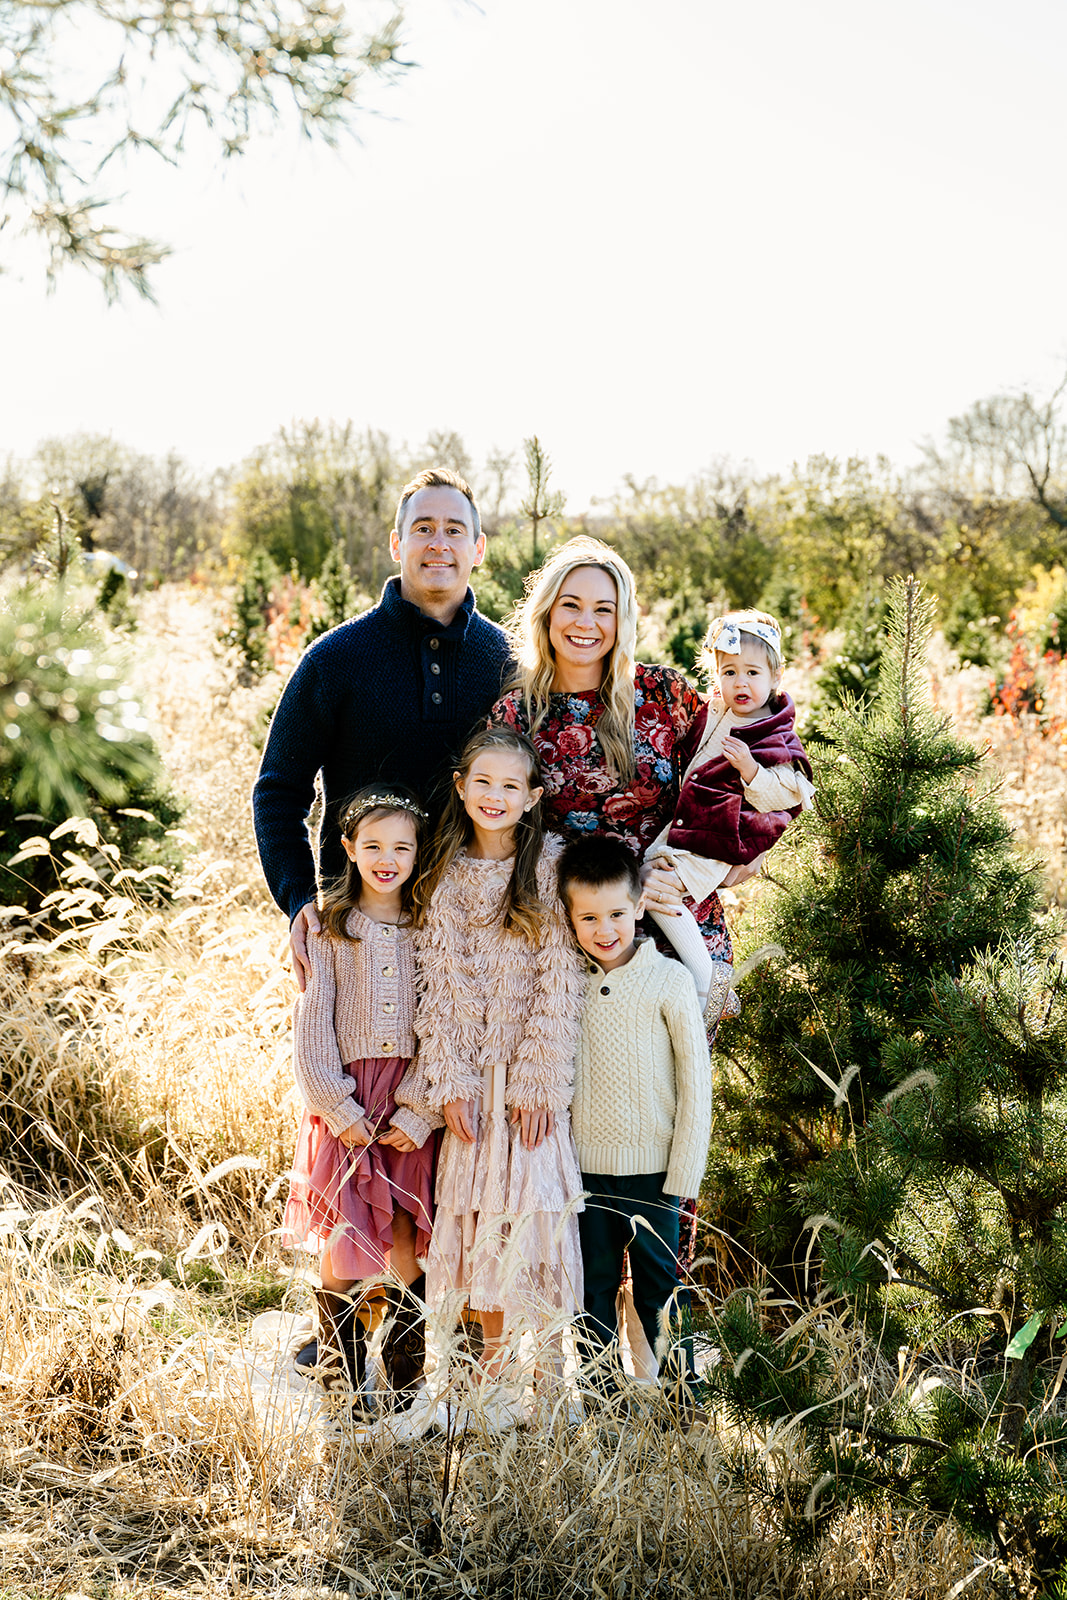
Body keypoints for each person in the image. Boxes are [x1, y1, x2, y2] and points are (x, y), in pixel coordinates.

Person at [253, 467, 511, 991]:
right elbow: (279, 789)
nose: (439, 543)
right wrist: (301, 897)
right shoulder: (336, 658)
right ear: (397, 543)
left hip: (480, 938)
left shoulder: (509, 662)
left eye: (455, 530)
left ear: (478, 548)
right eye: (423, 528)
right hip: (357, 934)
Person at [386, 726, 586, 1399]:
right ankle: (493, 1386)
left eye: (510, 785)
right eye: (483, 783)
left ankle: (554, 1387)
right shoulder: (441, 873)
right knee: (480, 1238)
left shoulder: (550, 866)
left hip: (531, 1090)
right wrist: (451, 1082)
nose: (494, 796)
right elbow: (436, 986)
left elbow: (560, 979)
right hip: (471, 1088)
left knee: (537, 1226)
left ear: (532, 797)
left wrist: (538, 1083)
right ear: (461, 787)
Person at [281, 785, 436, 1417]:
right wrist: (338, 1109)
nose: (386, 858)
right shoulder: (332, 932)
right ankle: (341, 1381)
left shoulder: (431, 931)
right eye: (372, 845)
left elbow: (444, 1027)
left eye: (401, 846)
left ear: (419, 853)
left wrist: (423, 1108)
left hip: (406, 1105)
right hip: (347, 1104)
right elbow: (311, 1031)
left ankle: (403, 1380)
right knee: (346, 1240)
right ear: (348, 849)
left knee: (404, 1237)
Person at [557, 834, 711, 1407]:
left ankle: (679, 1400)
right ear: (570, 918)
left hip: (655, 1176)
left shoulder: (669, 981)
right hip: (586, 1176)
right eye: (589, 917)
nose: (605, 929)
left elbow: (697, 1085)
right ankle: (599, 1401)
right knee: (591, 1290)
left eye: (617, 913)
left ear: (640, 905)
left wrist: (684, 1176)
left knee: (661, 1291)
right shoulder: (566, 985)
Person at [645, 610, 814, 1012]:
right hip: (696, 827)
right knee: (652, 879)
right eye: (730, 672)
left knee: (654, 888)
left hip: (721, 838)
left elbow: (794, 793)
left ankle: (708, 981)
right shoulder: (716, 712)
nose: (741, 683)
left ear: (776, 678)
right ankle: (712, 983)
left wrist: (752, 772)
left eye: (753, 673)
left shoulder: (771, 731)